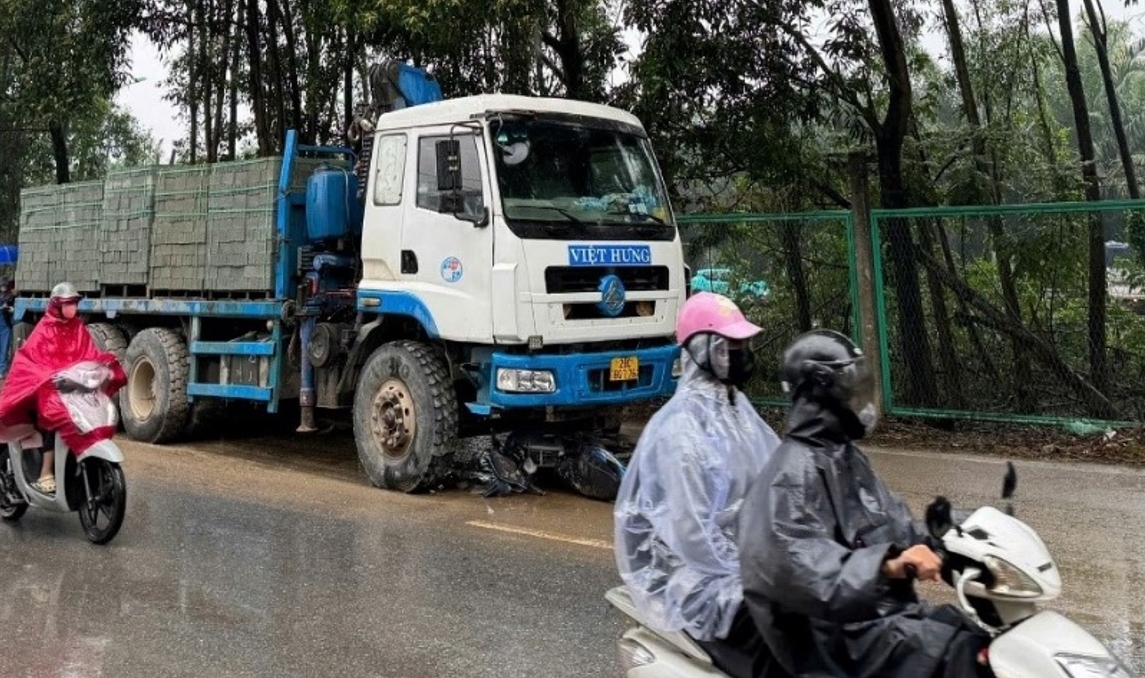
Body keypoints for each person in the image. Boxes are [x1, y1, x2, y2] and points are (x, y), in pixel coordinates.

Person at [738, 329, 993, 678]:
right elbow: (798, 567)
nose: (862, 398)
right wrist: (887, 566)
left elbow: (890, 527)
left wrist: (953, 534)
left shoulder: (844, 455)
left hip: (874, 616)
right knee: (964, 657)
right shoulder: (791, 473)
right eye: (852, 388)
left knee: (976, 634)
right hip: (833, 638)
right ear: (822, 389)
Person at [614, 292, 783, 678]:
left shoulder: (737, 409)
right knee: (791, 634)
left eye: (743, 344)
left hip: (742, 567)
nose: (740, 352)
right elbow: (693, 538)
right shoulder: (682, 431)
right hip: (696, 581)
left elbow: (780, 480)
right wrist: (759, 572)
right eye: (730, 345)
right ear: (703, 349)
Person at [0, 282, 126, 495]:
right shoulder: (45, 329)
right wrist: (48, 377)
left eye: (74, 304)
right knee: (54, 419)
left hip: (70, 389)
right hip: (45, 391)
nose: (72, 308)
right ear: (57, 305)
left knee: (93, 414)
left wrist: (102, 369)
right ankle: (45, 472)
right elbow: (33, 361)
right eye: (68, 304)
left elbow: (89, 355)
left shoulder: (78, 328)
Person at [0, 277, 13, 379]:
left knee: (4, 350)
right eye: (1, 285)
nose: (3, 287)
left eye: (5, 286)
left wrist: (9, 308)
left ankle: (2, 371)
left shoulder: (10, 296)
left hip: (6, 327)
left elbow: (12, 308)